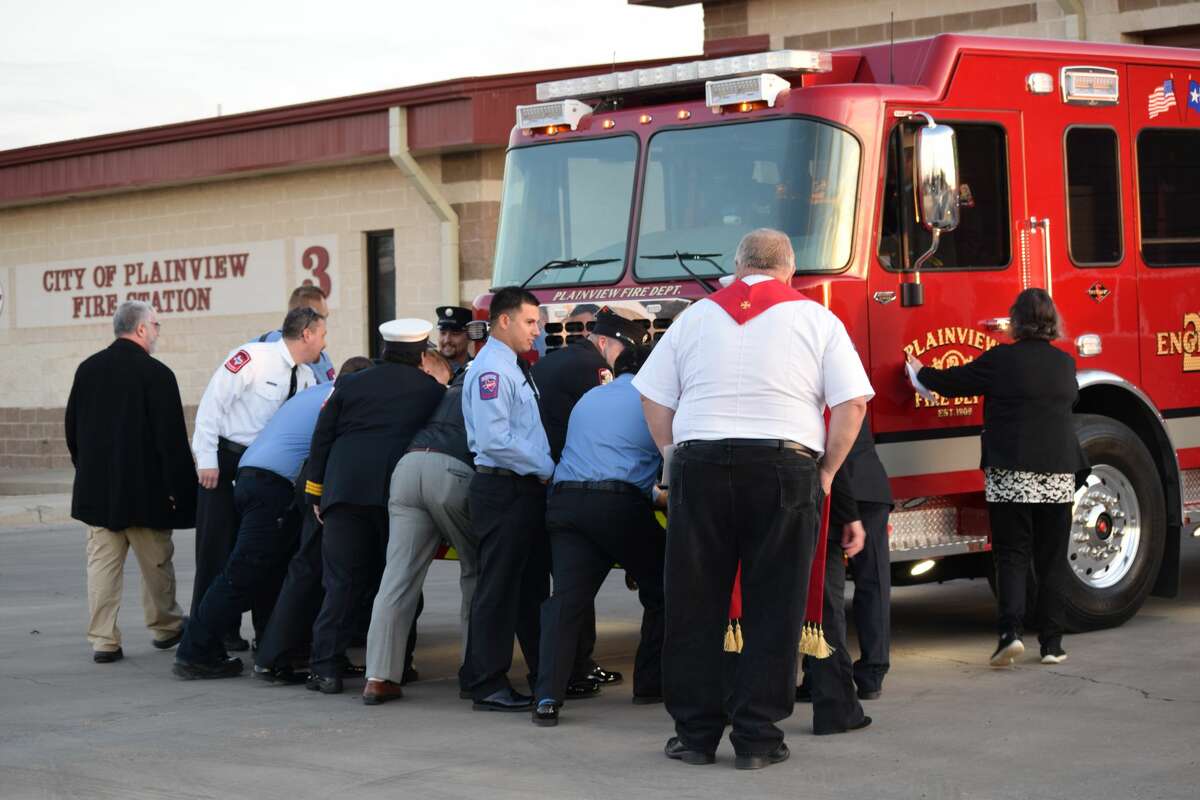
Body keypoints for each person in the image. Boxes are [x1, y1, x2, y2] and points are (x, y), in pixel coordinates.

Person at [634, 228, 873, 770]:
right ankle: (758, 739)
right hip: (784, 465)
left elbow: (652, 395)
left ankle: (695, 736)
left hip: (698, 463)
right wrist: (828, 471)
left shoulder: (694, 317)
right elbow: (852, 404)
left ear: (737, 266)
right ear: (790, 270)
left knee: (694, 603)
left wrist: (672, 458)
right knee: (775, 603)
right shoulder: (816, 319)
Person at [907, 287, 1086, 667]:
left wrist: (920, 370)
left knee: (1012, 555)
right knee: (1052, 559)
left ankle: (1010, 635)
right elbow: (1070, 399)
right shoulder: (1064, 363)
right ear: (1052, 321)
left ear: (1015, 321)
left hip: (1011, 472)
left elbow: (955, 382)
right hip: (1057, 472)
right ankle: (1053, 645)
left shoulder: (1001, 359)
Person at [174, 356, 372, 680]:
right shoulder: (338, 400)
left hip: (252, 478)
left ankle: (273, 648)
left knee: (271, 573)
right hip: (271, 487)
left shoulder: (316, 392)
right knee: (242, 573)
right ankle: (194, 652)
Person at [303, 320, 447, 694]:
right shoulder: (432, 391)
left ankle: (325, 668)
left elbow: (322, 437)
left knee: (340, 583)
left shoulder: (349, 384)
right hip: (395, 497)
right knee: (400, 581)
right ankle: (397, 665)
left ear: (384, 349)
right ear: (421, 355)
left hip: (344, 492)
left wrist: (316, 493)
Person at [531, 343, 667, 727]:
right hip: (618, 506)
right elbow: (666, 468)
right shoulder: (654, 400)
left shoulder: (590, 397)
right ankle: (651, 683)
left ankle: (547, 696)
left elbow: (602, 454)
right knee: (664, 587)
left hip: (566, 503)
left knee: (567, 601)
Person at [65, 301, 196, 663]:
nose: (157, 332)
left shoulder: (88, 369)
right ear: (140, 329)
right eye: (155, 325)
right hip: (146, 492)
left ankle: (104, 640)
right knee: (156, 564)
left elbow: (72, 429)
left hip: (99, 493)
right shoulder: (157, 374)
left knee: (102, 568)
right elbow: (171, 442)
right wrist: (182, 492)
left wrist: (87, 470)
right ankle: (166, 626)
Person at [190, 306, 327, 651]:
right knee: (217, 551)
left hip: (266, 473)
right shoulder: (252, 358)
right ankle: (210, 636)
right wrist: (206, 460)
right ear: (307, 334)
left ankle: (265, 635)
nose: (325, 344)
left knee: (258, 554)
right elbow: (211, 406)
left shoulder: (307, 376)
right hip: (225, 463)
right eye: (323, 335)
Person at [361, 358, 478, 705]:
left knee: (397, 578)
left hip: (409, 467)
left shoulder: (444, 393)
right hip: (454, 471)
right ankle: (475, 672)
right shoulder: (494, 387)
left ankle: (378, 677)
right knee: (477, 570)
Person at [460, 286, 554, 712]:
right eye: (530, 322)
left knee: (527, 587)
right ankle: (486, 683)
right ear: (504, 320)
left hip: (520, 488)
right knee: (498, 588)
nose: (537, 330)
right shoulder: (492, 370)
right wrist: (547, 466)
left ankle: (538, 674)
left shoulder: (512, 366)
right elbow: (495, 439)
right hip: (505, 488)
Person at [798, 420, 894, 700]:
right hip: (869, 486)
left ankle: (821, 676)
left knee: (825, 592)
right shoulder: (854, 393)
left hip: (829, 489)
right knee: (874, 583)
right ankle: (873, 675)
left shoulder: (811, 394)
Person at [255, 285, 337, 384]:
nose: (324, 323)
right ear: (304, 314)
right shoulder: (259, 350)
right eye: (321, 317)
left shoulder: (321, 356)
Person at [436, 305, 474, 377]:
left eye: (455, 334)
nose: (447, 340)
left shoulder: (477, 368)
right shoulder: (428, 369)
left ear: (469, 336)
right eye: (443, 333)